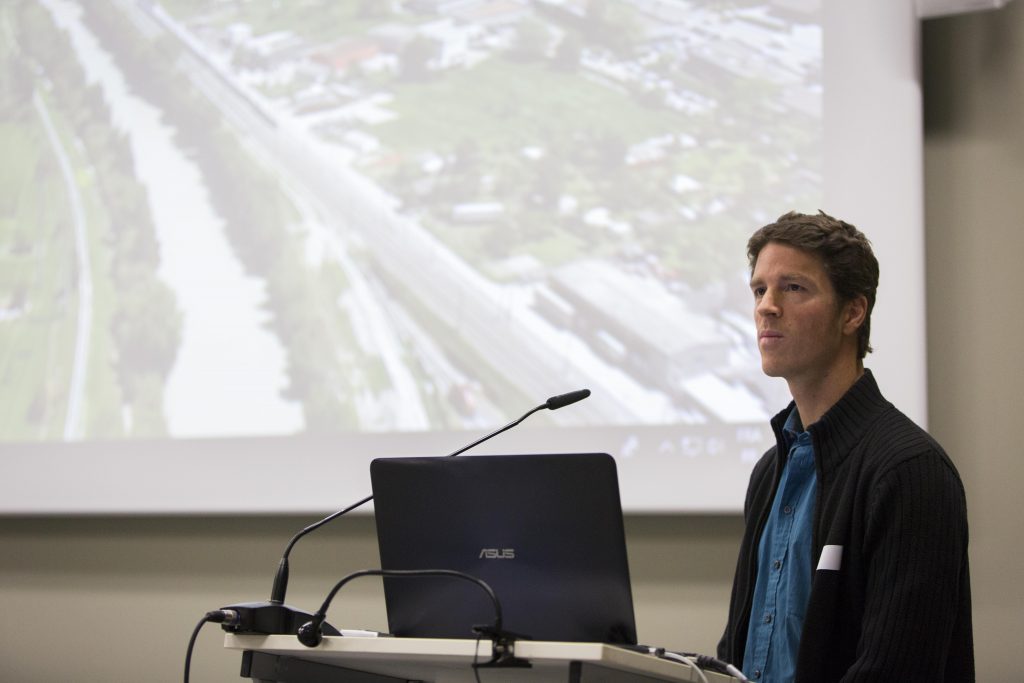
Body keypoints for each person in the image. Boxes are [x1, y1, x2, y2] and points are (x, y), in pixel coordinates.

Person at [717, 211, 974, 682]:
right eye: (759, 290)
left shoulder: (910, 470)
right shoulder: (770, 470)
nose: (767, 307)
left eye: (793, 288)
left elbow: (897, 671)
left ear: (853, 313)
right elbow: (735, 653)